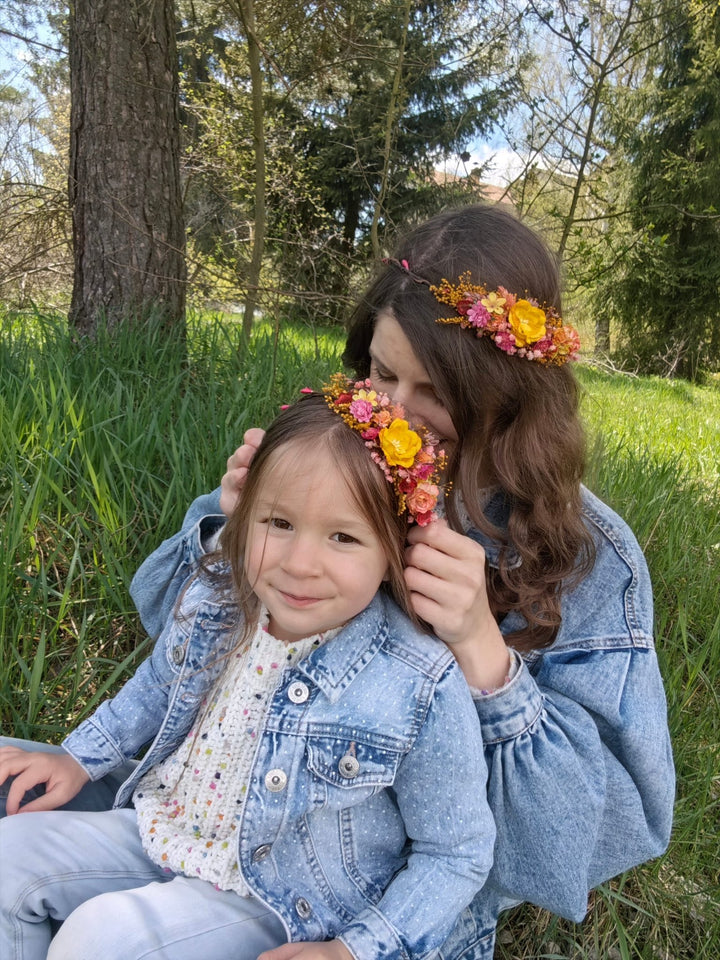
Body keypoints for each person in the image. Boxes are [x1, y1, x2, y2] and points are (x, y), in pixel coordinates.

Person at [126, 204, 675, 959]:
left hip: (389, 908)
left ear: (509, 396)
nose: (393, 413)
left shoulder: (586, 555)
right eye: (382, 371)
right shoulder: (330, 464)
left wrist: (485, 654)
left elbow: (579, 845)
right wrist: (236, 530)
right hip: (224, 812)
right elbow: (174, 641)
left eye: (438, 390)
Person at [0, 388, 494, 960]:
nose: (300, 563)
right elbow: (158, 688)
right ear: (245, 512)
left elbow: (456, 853)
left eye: (343, 537)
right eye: (279, 522)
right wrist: (79, 756)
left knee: (105, 938)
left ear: (393, 550)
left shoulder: (416, 680)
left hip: (280, 896)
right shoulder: (219, 598)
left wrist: (356, 949)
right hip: (169, 828)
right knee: (9, 860)